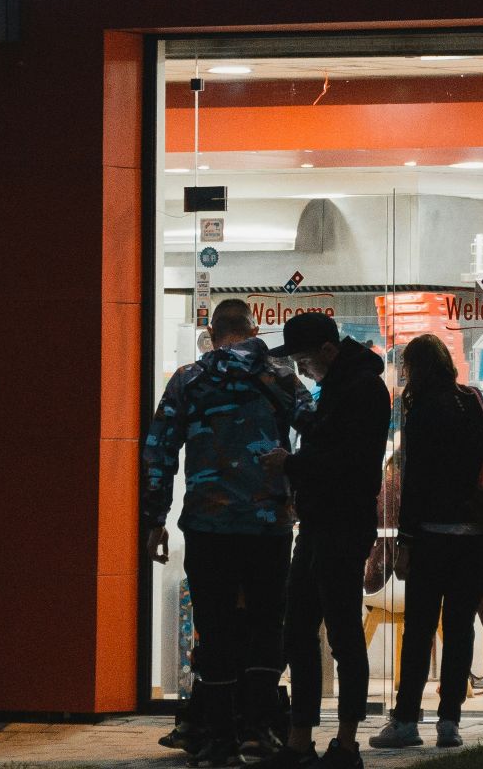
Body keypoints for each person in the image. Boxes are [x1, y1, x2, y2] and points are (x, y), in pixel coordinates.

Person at [144, 298, 311, 768]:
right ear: (254, 330)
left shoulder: (189, 380)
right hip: (268, 526)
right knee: (266, 625)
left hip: (208, 526)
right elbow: (318, 433)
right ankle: (259, 732)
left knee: (215, 629)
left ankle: (218, 740)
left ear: (213, 334)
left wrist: (155, 520)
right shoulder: (281, 378)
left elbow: (159, 450)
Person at [262, 312, 391, 769]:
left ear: (328, 351)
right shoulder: (340, 387)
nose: (302, 370)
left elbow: (348, 462)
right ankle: (300, 741)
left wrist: (291, 464)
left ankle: (347, 745)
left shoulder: (362, 390)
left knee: (342, 635)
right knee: (299, 632)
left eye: (304, 361)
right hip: (319, 525)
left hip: (342, 526)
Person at [369, 335, 483, 751]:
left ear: (415, 369)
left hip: (433, 537)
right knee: (460, 629)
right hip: (478, 536)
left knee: (420, 629)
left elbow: (416, 482)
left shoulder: (422, 408)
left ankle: (406, 720)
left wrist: (405, 542)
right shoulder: (472, 400)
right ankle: (449, 723)